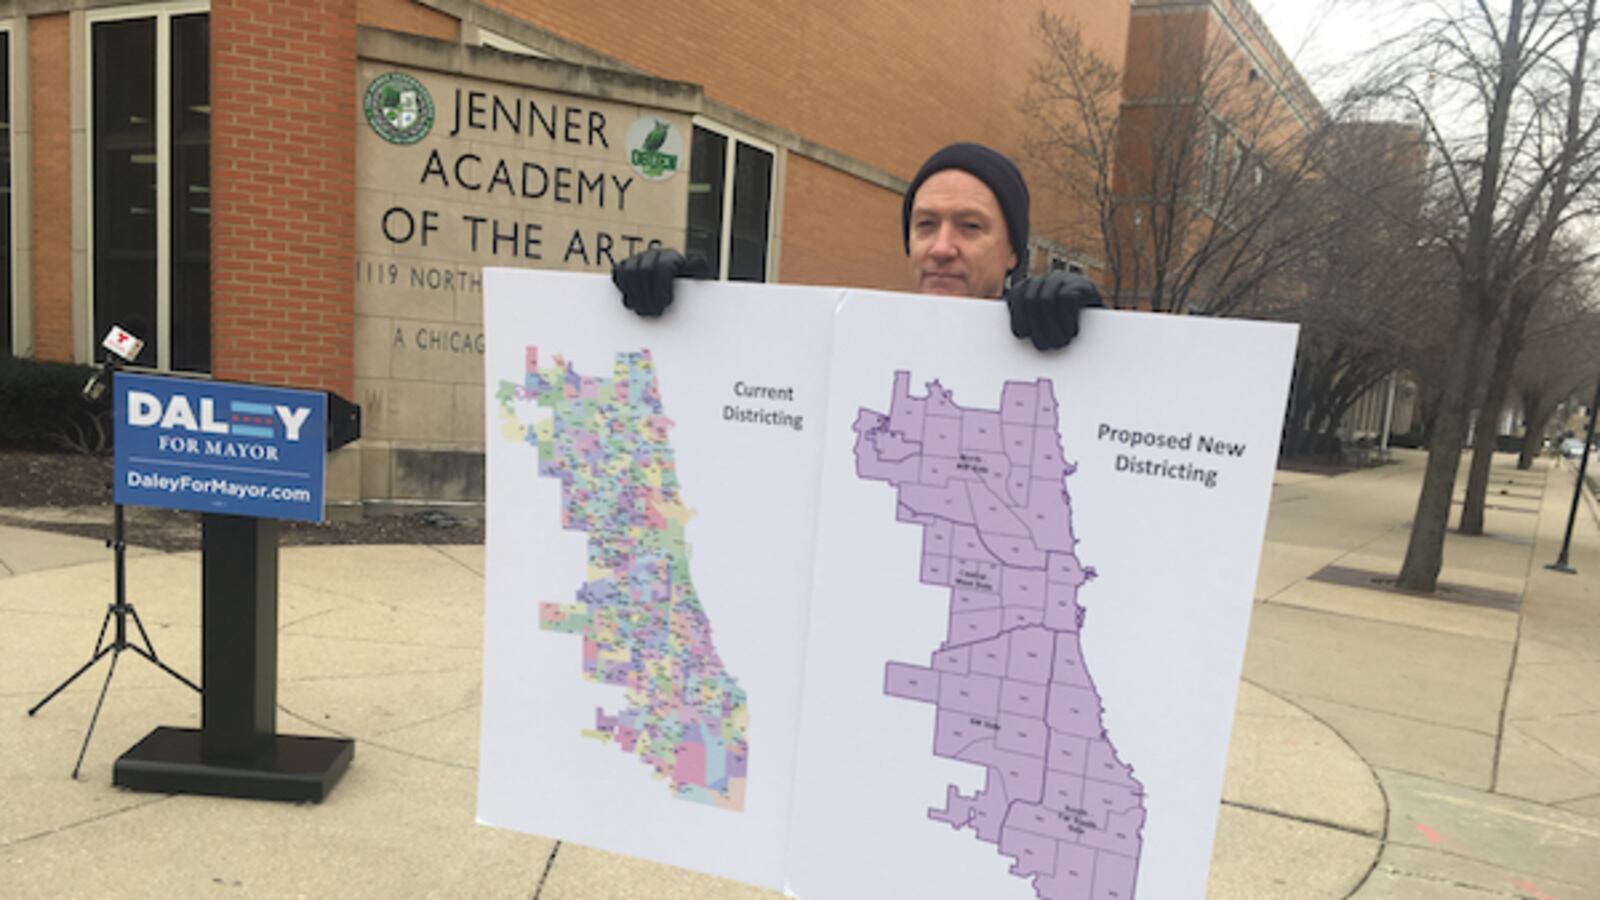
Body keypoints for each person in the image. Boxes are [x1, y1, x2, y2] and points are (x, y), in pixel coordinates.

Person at [611, 142, 1102, 350]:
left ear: (1013, 251)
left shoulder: (1052, 348)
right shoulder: (850, 342)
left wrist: (1101, 344)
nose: (942, 247)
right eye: (926, 225)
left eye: (970, 227)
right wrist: (686, 319)